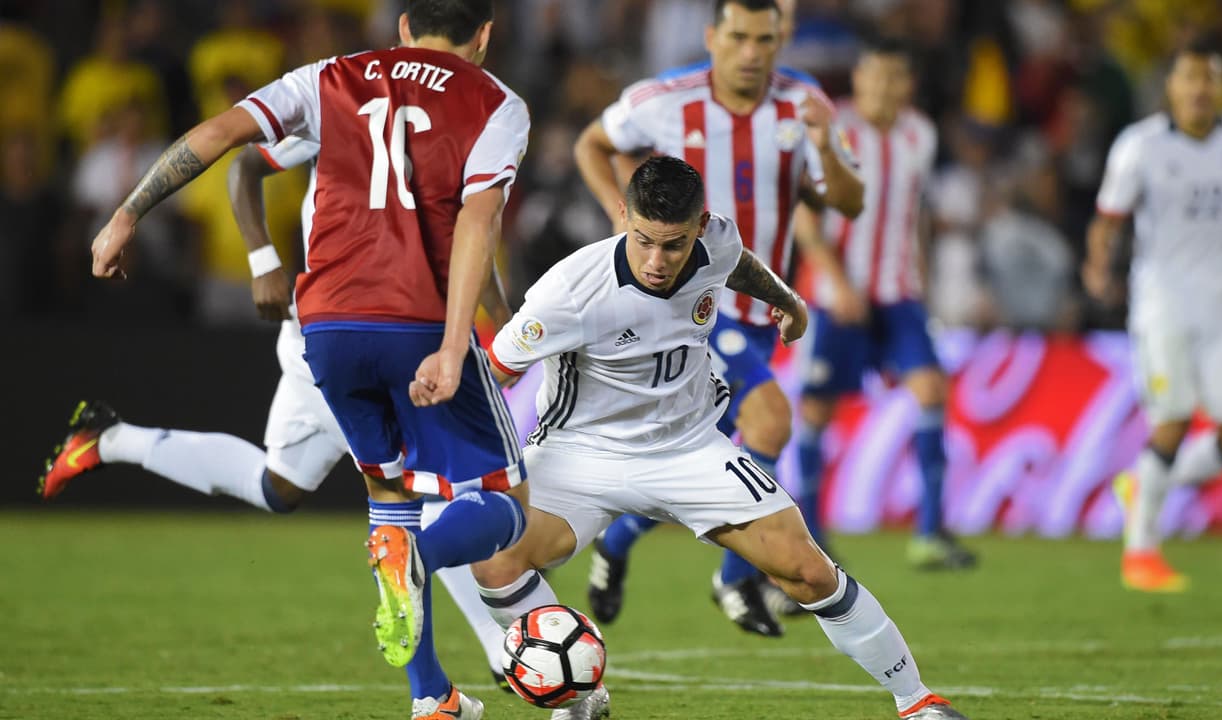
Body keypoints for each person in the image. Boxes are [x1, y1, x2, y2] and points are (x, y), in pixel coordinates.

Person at [87, 2, 531, 718]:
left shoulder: (330, 79)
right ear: (484, 34)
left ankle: (431, 697)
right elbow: (477, 223)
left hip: (326, 328)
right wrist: (459, 345)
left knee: (389, 496)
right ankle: (421, 567)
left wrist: (126, 213)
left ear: (404, 26)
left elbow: (219, 135)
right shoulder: (495, 103)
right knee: (505, 506)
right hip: (416, 323)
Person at [471, 156, 967, 720]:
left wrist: (785, 299)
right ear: (623, 215)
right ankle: (581, 696)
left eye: (674, 245)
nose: (657, 262)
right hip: (580, 453)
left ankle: (918, 701)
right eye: (644, 241)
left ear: (700, 226)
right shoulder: (569, 290)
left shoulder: (716, 243)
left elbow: (736, 263)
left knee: (808, 571)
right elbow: (493, 374)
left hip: (690, 449)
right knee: (495, 561)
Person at [40, 135, 513, 689]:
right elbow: (243, 164)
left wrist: (503, 319)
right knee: (427, 489)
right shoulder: (341, 107)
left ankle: (109, 439)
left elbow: (467, 233)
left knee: (278, 487)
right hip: (347, 334)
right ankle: (497, 650)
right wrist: (262, 260)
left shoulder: (444, 120)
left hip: (367, 333)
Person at [573, 0, 862, 637]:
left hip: (761, 310)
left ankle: (616, 543)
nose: (752, 52)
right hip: (690, 308)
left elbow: (849, 200)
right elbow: (593, 143)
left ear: (781, 39)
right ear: (712, 37)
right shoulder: (664, 100)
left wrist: (824, 146)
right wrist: (623, 220)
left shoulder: (804, 105)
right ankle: (735, 580)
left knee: (699, 457)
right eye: (739, 37)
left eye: (765, 39)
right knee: (771, 420)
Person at [1085, 38, 1222, 593]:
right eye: (1190, 77)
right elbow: (1108, 220)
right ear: (1170, 86)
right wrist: (1098, 266)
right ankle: (1140, 554)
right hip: (1162, 306)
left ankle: (1144, 487)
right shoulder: (1140, 146)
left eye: (1209, 78)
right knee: (1171, 422)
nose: (1200, 89)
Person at [794, 37, 976, 571]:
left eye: (894, 77)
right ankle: (812, 535)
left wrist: (922, 278)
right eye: (874, 75)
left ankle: (930, 534)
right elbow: (805, 217)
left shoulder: (921, 134)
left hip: (898, 292)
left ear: (908, 84)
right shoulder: (831, 130)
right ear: (858, 78)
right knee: (816, 411)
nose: (883, 87)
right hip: (836, 296)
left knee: (932, 390)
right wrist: (837, 281)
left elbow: (914, 213)